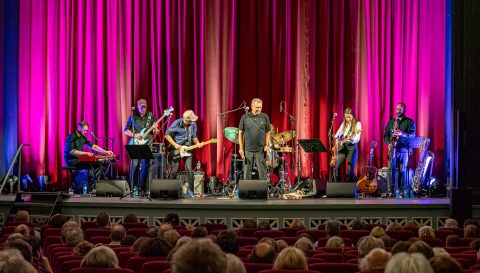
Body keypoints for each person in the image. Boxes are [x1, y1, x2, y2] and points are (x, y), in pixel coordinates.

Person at [64, 121, 113, 192]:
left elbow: (94, 146)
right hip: (71, 160)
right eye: (84, 130)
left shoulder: (83, 138)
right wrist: (86, 153)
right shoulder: (71, 137)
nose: (85, 132)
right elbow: (72, 151)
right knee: (90, 164)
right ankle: (90, 187)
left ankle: (93, 185)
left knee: (99, 164)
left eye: (86, 130)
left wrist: (105, 152)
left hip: (79, 159)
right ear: (79, 128)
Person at [165, 110, 202, 198]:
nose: (193, 122)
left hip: (187, 149)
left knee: (189, 169)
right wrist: (175, 145)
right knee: (174, 170)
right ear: (186, 120)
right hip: (176, 150)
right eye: (191, 121)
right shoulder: (177, 123)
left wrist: (198, 143)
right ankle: (171, 190)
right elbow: (167, 135)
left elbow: (194, 137)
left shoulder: (193, 125)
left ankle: (190, 191)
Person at [124, 99, 158, 192]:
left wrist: (155, 129)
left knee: (146, 166)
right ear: (138, 107)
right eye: (142, 107)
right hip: (136, 144)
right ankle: (134, 187)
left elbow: (156, 131)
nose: (144, 108)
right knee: (135, 165)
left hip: (147, 144)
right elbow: (126, 130)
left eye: (145, 106)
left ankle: (143, 188)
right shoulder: (133, 116)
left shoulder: (151, 116)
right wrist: (134, 135)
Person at [384, 102, 416, 197]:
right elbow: (386, 135)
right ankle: (390, 191)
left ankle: (402, 191)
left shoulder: (410, 122)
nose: (397, 111)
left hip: (404, 150)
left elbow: (412, 135)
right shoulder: (391, 122)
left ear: (404, 110)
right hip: (392, 149)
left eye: (400, 109)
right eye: (397, 109)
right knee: (391, 171)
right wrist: (389, 143)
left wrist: (402, 133)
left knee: (403, 171)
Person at [238, 98, 271, 180]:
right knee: (247, 175)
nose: (259, 109)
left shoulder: (265, 117)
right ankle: (247, 192)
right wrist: (241, 148)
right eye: (257, 107)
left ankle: (262, 192)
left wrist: (267, 145)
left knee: (262, 174)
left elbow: (268, 132)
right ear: (252, 106)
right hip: (248, 150)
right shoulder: (245, 117)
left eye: (260, 107)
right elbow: (240, 133)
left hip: (261, 150)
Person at [332, 108, 362, 182]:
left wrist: (352, 139)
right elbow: (336, 135)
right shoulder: (344, 124)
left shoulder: (357, 124)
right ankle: (336, 187)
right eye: (346, 117)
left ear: (353, 116)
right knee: (336, 167)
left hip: (352, 148)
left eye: (349, 117)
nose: (347, 119)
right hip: (343, 147)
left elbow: (357, 138)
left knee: (350, 171)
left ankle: (351, 190)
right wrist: (337, 142)